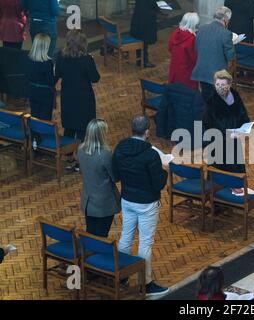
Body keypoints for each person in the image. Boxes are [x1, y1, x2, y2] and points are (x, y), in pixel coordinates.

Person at [112, 115, 169, 296]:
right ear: (147, 132)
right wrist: (164, 171)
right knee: (145, 242)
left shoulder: (120, 147)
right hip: (146, 203)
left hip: (127, 199)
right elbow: (158, 183)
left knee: (126, 237)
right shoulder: (150, 154)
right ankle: (146, 283)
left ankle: (122, 275)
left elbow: (115, 174)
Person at [203, 70, 250, 182]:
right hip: (218, 145)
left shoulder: (235, 96)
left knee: (236, 173)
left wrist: (244, 127)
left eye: (223, 84)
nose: (220, 87)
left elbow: (243, 114)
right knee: (219, 176)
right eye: (217, 84)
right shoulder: (211, 102)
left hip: (234, 143)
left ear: (229, 84)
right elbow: (208, 124)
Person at [55, 30, 100, 145]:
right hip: (83, 98)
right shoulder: (86, 59)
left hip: (67, 96)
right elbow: (95, 78)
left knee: (69, 128)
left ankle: (68, 154)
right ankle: (80, 155)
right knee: (83, 129)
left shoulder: (60, 56)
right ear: (82, 44)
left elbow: (58, 73)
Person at [78, 119, 120, 238]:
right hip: (104, 203)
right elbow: (115, 177)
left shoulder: (80, 149)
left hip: (88, 200)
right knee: (102, 235)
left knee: (90, 232)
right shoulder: (105, 154)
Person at [191, 6, 235, 102]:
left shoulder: (202, 29)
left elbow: (196, 48)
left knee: (205, 97)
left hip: (201, 70)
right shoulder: (226, 33)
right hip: (217, 74)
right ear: (225, 19)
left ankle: (204, 116)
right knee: (217, 101)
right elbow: (230, 56)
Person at [168, 12, 199, 90]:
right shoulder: (191, 39)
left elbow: (170, 48)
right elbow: (194, 58)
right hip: (186, 72)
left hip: (174, 68)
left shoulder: (176, 32)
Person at [27, 33, 55, 120]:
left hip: (32, 91)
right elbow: (51, 82)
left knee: (34, 115)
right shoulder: (48, 63)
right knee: (45, 119)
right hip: (45, 94)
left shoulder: (29, 59)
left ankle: (33, 132)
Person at [130, 0, 159, 68]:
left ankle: (139, 60)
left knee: (139, 38)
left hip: (138, 18)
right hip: (146, 19)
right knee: (144, 41)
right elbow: (153, 4)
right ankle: (144, 62)